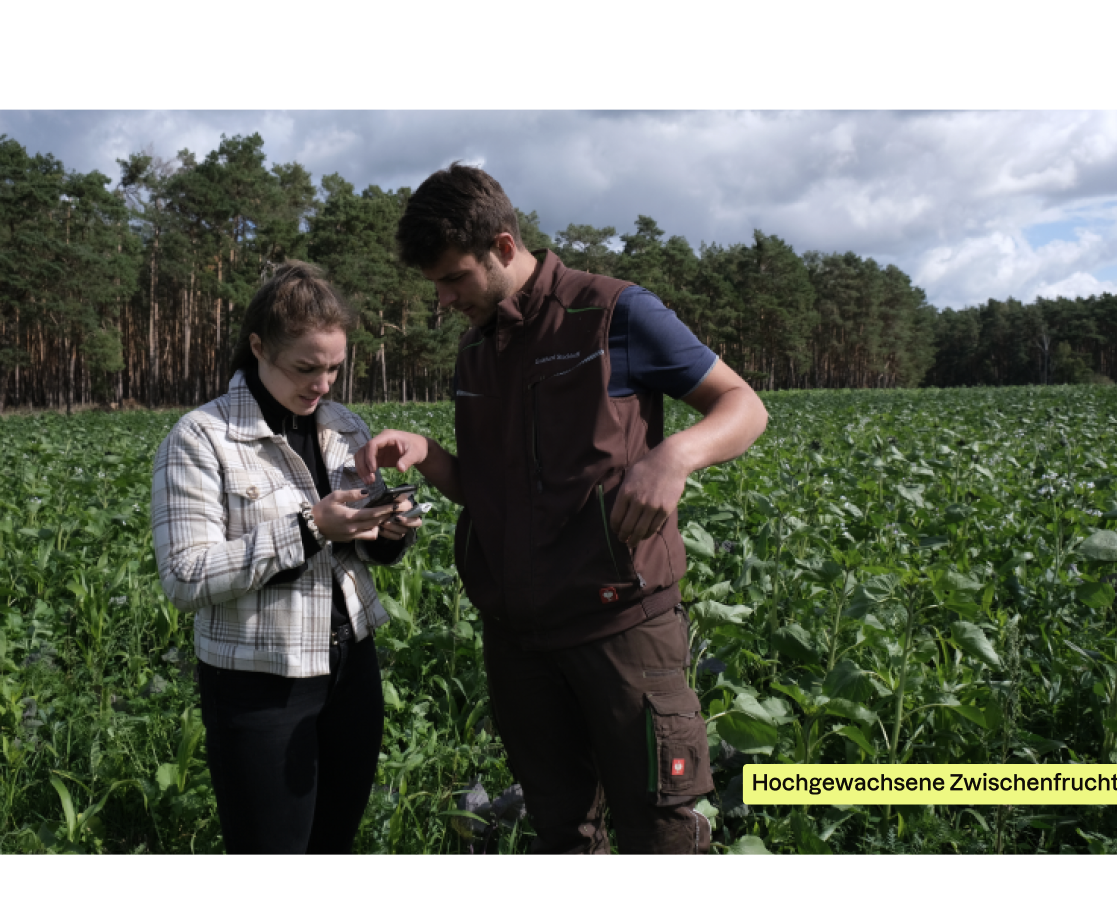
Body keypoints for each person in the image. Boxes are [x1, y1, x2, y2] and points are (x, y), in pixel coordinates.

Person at [357, 164, 769, 854]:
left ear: (505, 246)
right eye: (435, 285)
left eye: (454, 279)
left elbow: (744, 406)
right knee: (561, 832)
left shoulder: (613, 312)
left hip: (620, 627)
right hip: (519, 639)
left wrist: (674, 458)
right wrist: (428, 453)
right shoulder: (477, 351)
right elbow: (488, 489)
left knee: (660, 831)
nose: (445, 300)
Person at [151, 260, 422, 854]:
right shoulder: (201, 438)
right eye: (306, 367)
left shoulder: (343, 426)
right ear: (258, 348)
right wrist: (308, 527)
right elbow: (184, 576)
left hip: (353, 668)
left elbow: (359, 550)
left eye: (333, 368)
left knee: (334, 845)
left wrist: (392, 528)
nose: (323, 384)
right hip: (260, 684)